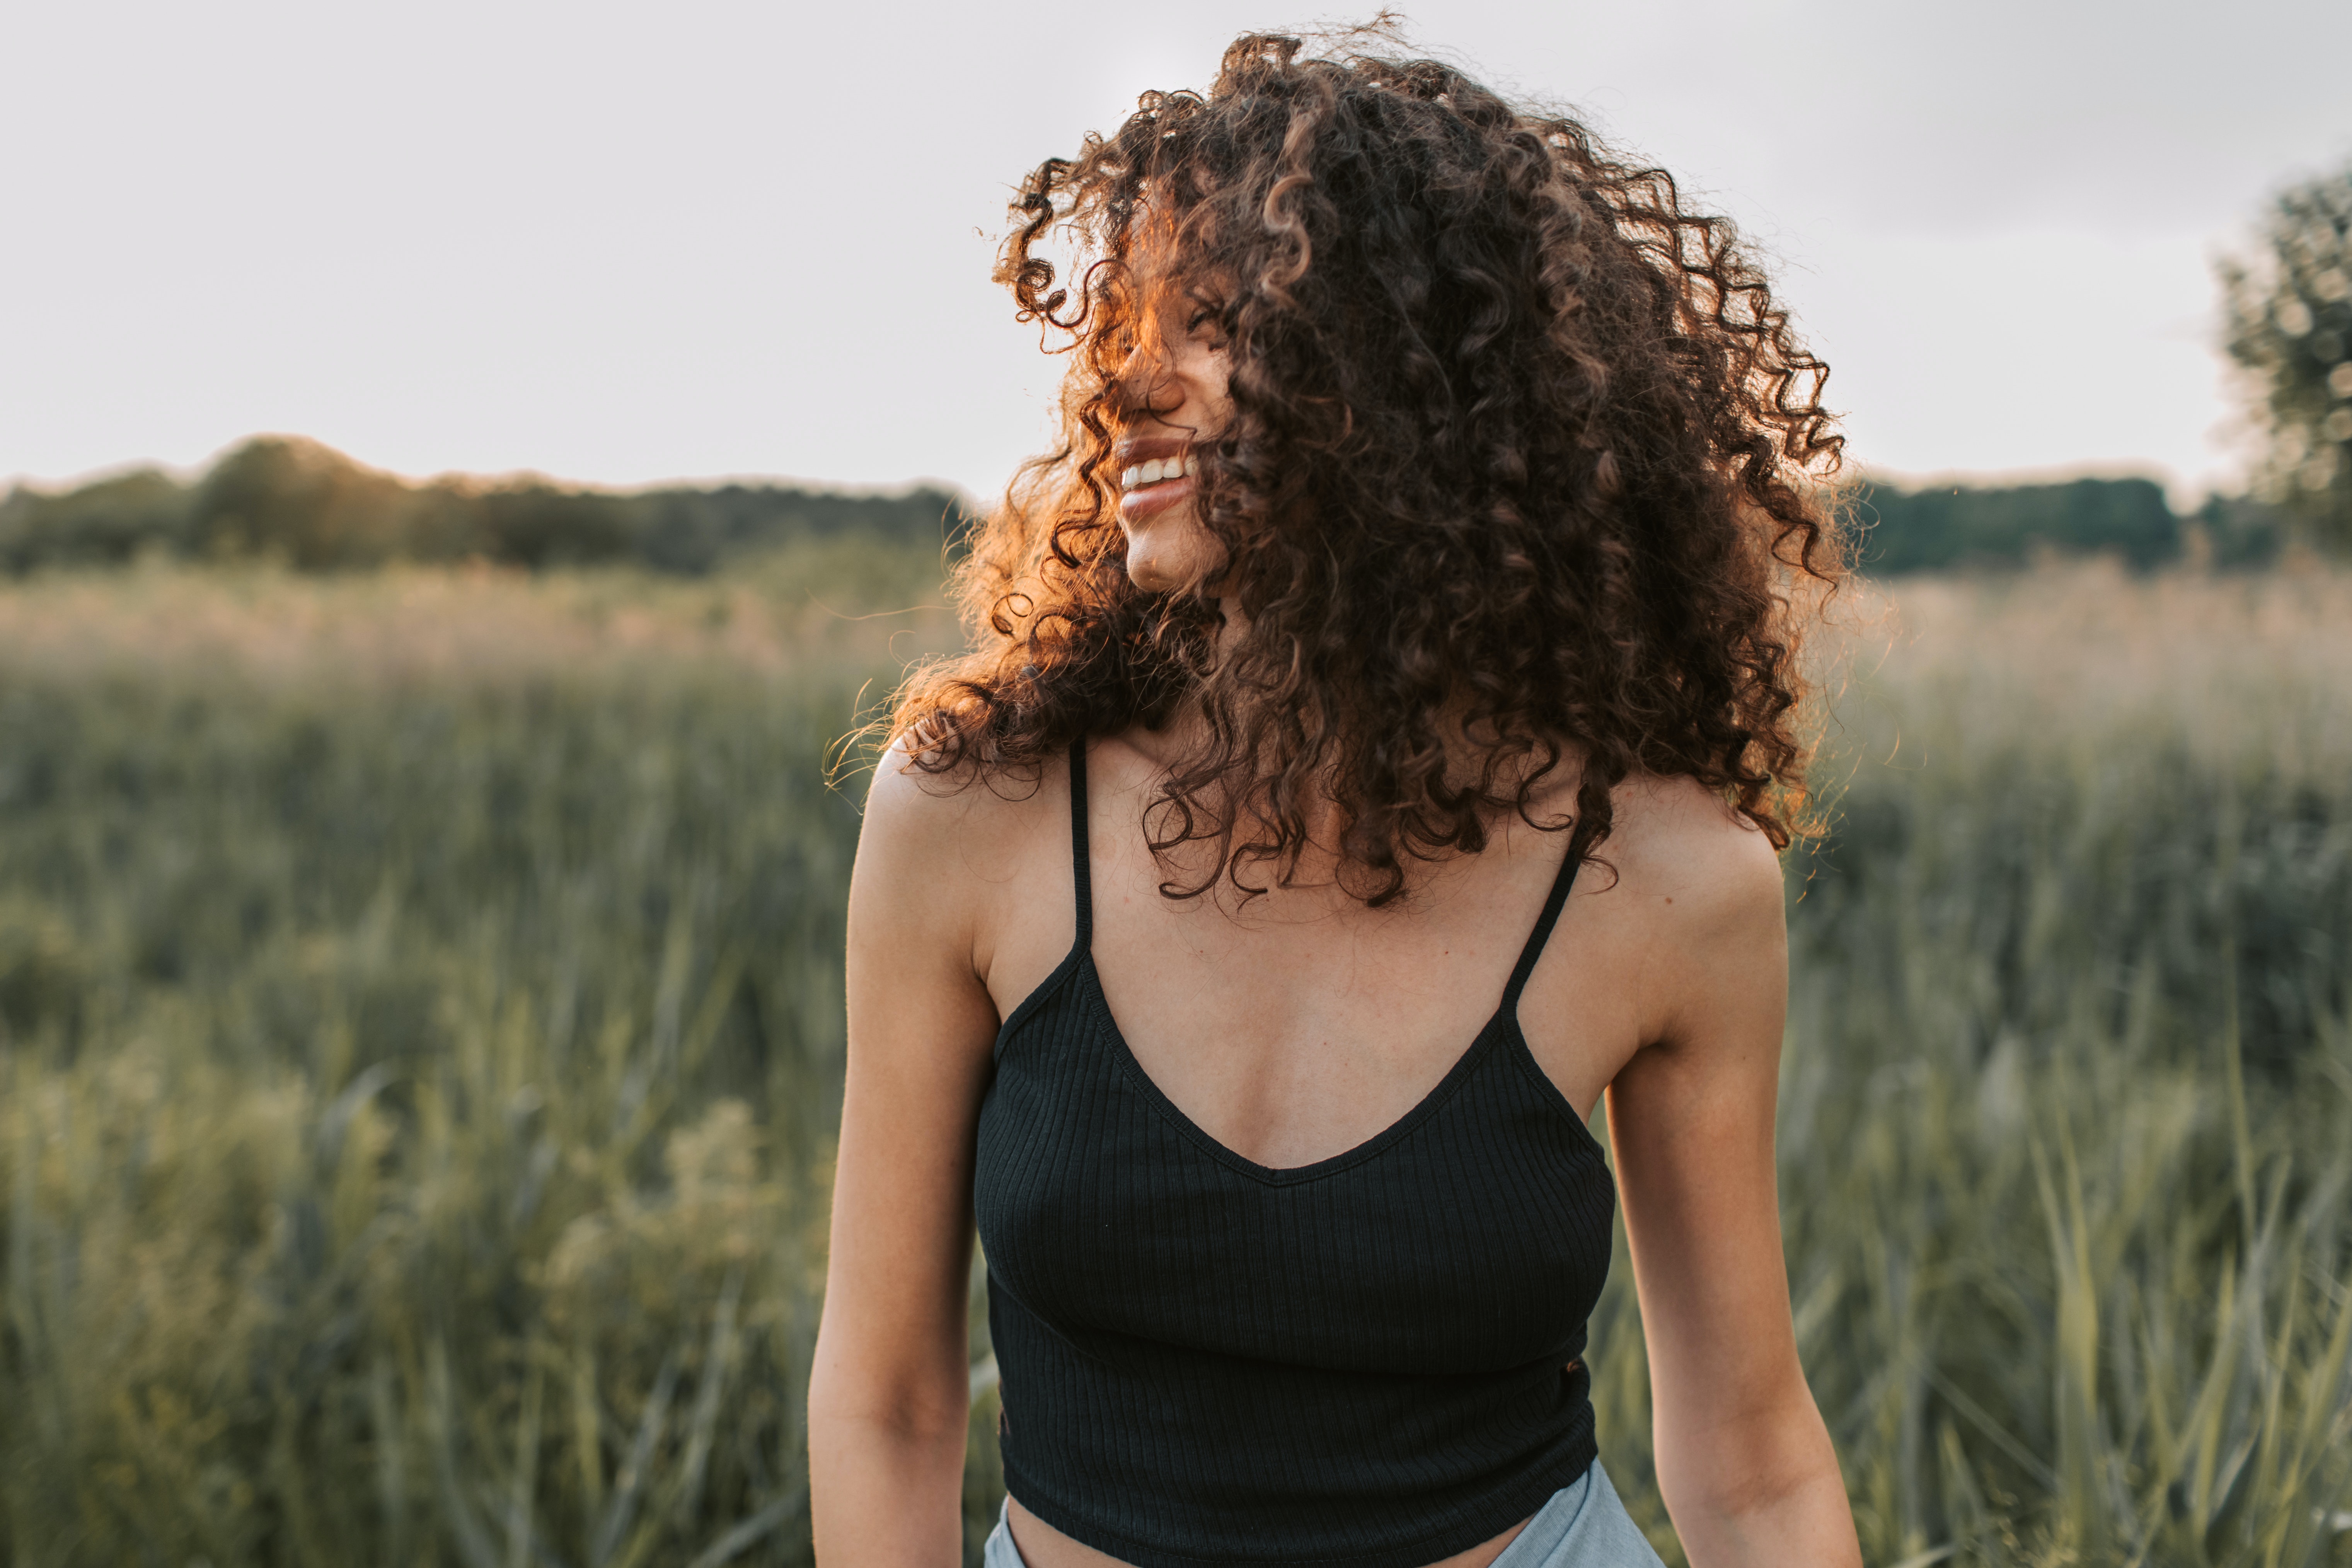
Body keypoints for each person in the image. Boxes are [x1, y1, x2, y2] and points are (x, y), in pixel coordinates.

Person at [810, 27, 1863, 1568]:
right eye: (1125, 324)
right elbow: (890, 1399)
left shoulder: (1666, 881)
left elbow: (1755, 1461)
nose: (1132, 382)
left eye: (1214, 320)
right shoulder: (977, 805)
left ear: (1408, 380)